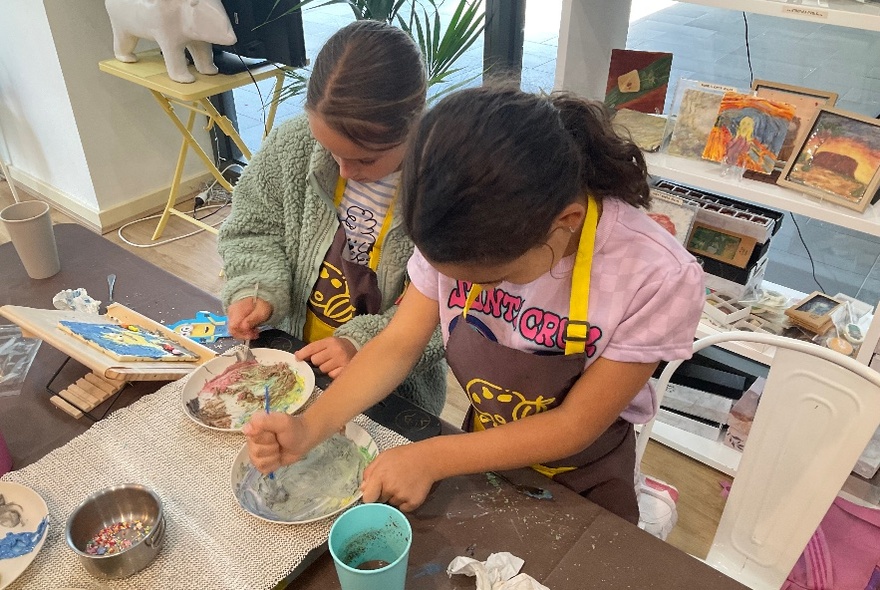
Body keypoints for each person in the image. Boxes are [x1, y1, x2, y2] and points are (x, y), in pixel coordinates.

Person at [243, 86, 705, 523]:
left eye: (489, 279)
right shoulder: (453, 219)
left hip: (586, 471)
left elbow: (575, 424)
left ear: (565, 222)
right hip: (488, 444)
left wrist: (431, 457)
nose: (469, 292)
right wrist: (311, 426)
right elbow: (397, 345)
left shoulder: (654, 276)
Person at [217, 21, 447, 415]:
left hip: (393, 392)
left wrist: (362, 341)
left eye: (364, 159)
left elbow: (451, 308)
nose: (343, 170)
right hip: (294, 360)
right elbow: (253, 227)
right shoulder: (294, 144)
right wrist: (255, 288)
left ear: (415, 124)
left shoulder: (446, 185)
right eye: (329, 149)